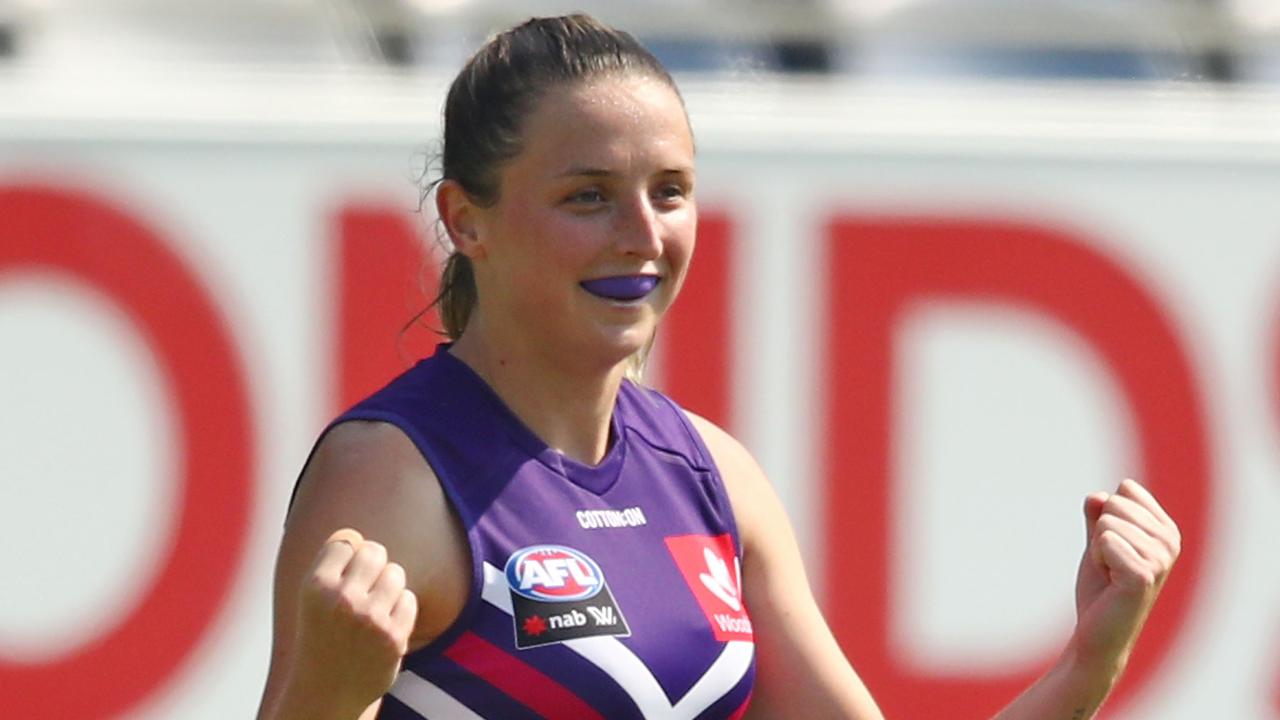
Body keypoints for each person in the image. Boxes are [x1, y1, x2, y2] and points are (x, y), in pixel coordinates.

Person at [255, 14, 1181, 720]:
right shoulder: (395, 473)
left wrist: (1086, 665)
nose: (643, 236)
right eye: (588, 197)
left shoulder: (710, 472)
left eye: (670, 192)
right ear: (466, 221)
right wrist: (327, 699)